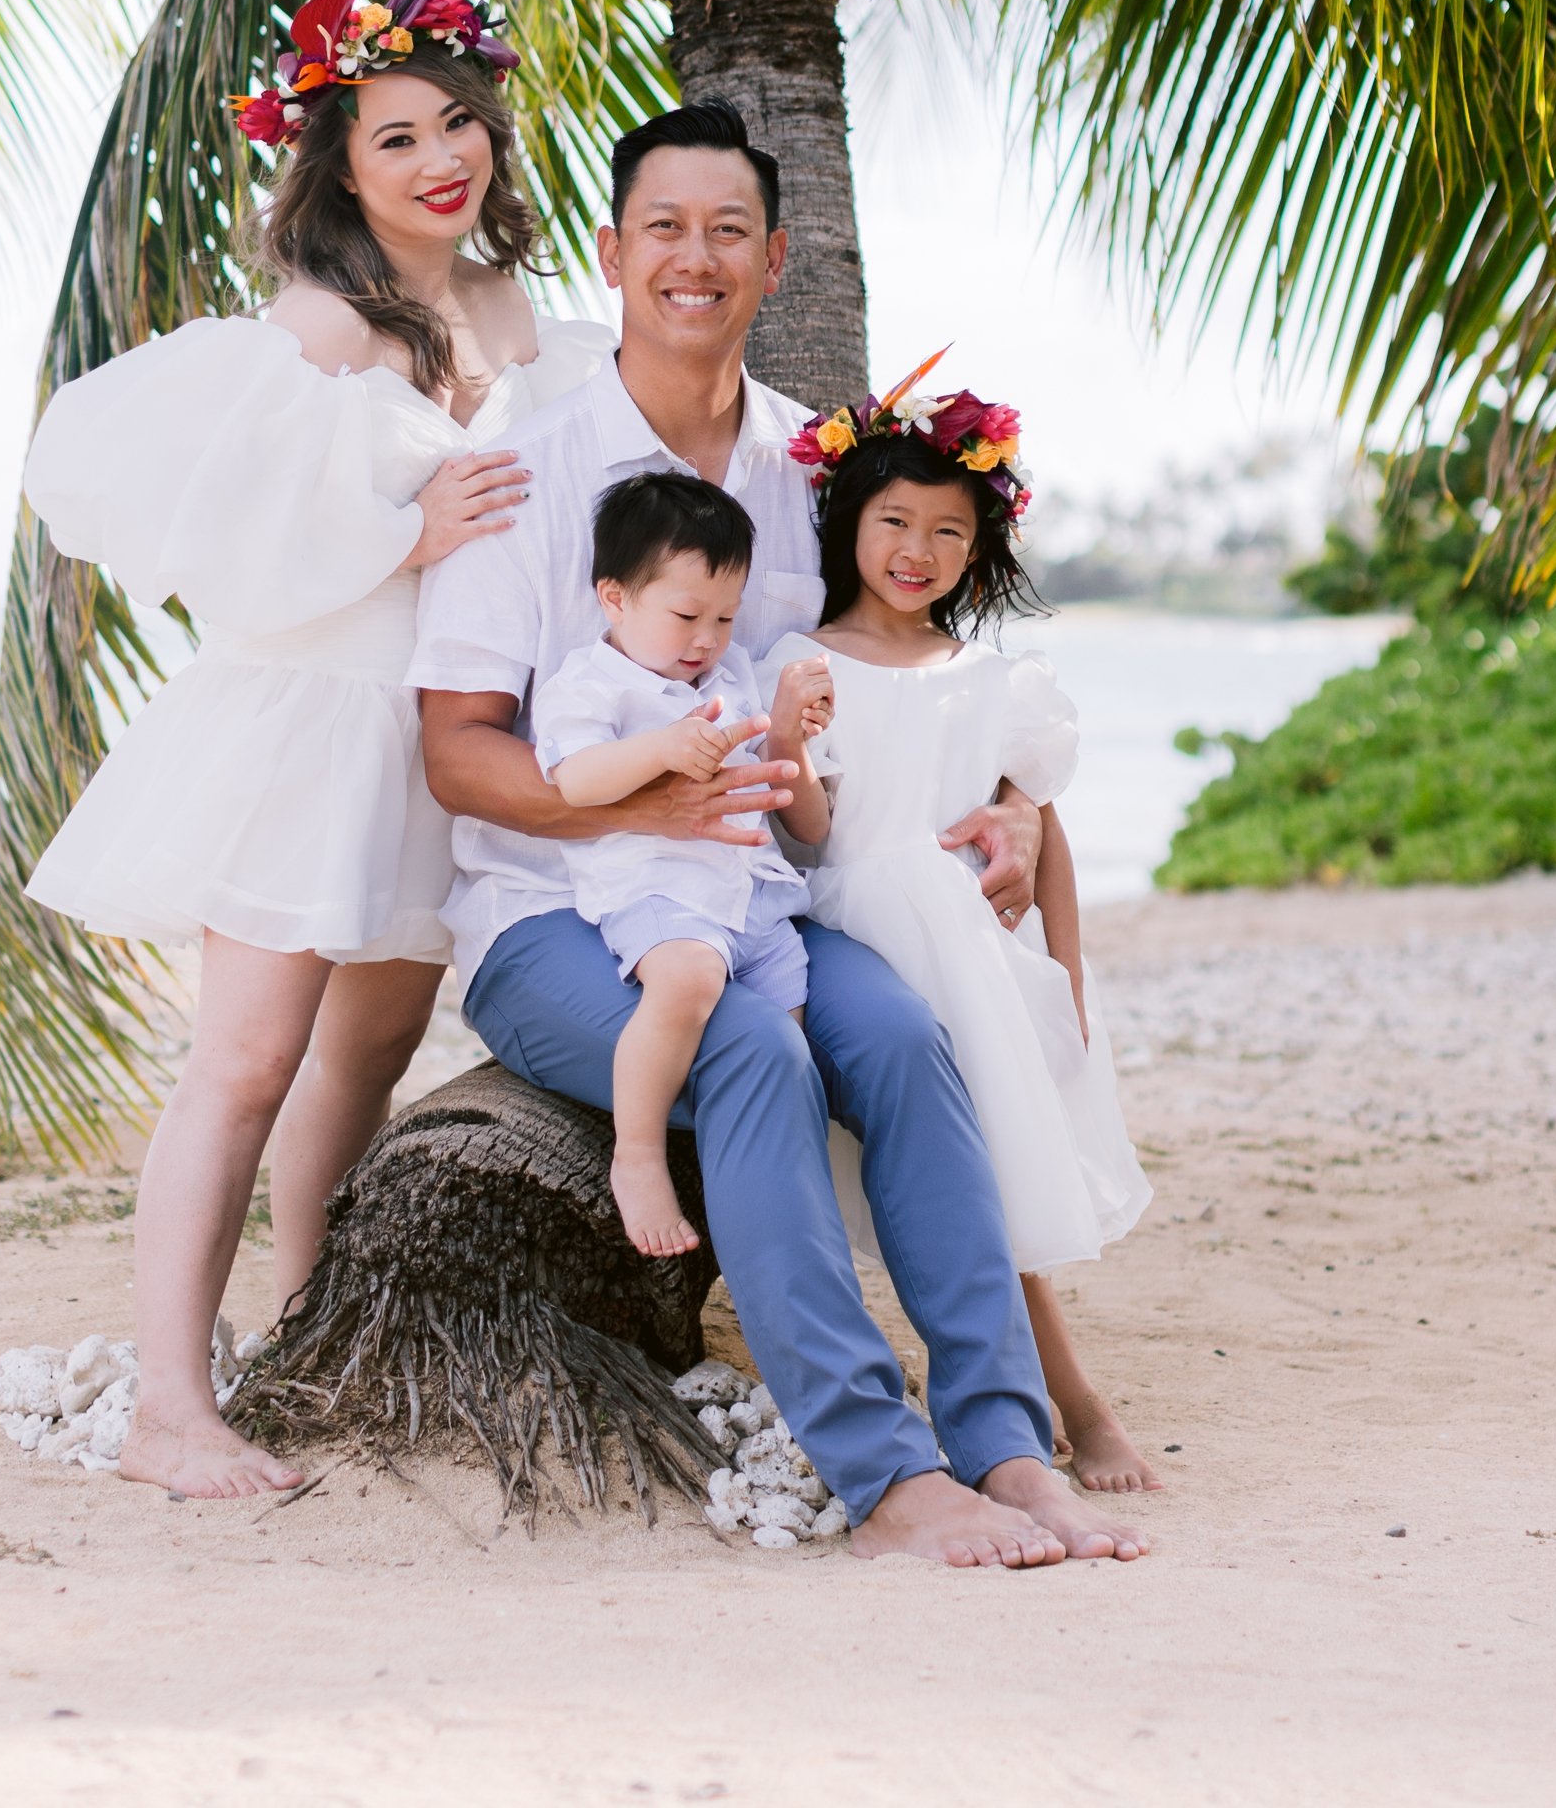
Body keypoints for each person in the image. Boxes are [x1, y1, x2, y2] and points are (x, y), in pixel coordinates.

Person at [413, 96, 1147, 1567]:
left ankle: (1000, 1437)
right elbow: (456, 753)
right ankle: (885, 1474)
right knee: (749, 1047)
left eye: (728, 228)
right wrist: (634, 793)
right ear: (614, 254)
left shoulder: (812, 472)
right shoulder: (531, 471)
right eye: (664, 228)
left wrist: (1007, 812)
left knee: (898, 1031)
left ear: (774, 253)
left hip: (762, 890)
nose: (696, 256)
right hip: (556, 908)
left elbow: (917, 659)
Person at [20, 0, 611, 1498]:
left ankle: (301, 1330)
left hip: (436, 735)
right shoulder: (320, 322)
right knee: (247, 1055)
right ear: (340, 166)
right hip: (311, 722)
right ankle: (170, 1400)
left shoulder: (503, 307)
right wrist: (398, 532)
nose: (440, 157)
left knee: (369, 1048)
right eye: (397, 134)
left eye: (460, 123)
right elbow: (220, 529)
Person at [772, 374, 1160, 1494]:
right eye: (893, 521)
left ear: (978, 547)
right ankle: (1059, 1405)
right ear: (847, 524)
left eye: (948, 531)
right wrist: (792, 739)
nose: (916, 550)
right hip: (864, 937)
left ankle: (1048, 1403)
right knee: (951, 1179)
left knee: (991, 1177)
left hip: (974, 962)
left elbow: (1043, 831)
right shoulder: (807, 659)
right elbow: (812, 826)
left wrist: (1070, 972)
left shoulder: (992, 678)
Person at [531, 472, 833, 1254]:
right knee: (689, 981)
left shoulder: (724, 678)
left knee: (786, 1031)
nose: (707, 637)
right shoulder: (591, 683)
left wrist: (791, 727)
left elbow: (774, 776)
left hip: (753, 893)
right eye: (687, 614)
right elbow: (575, 779)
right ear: (615, 597)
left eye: (726, 617)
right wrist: (661, 749)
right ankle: (636, 1156)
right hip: (658, 886)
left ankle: (765, 1182)